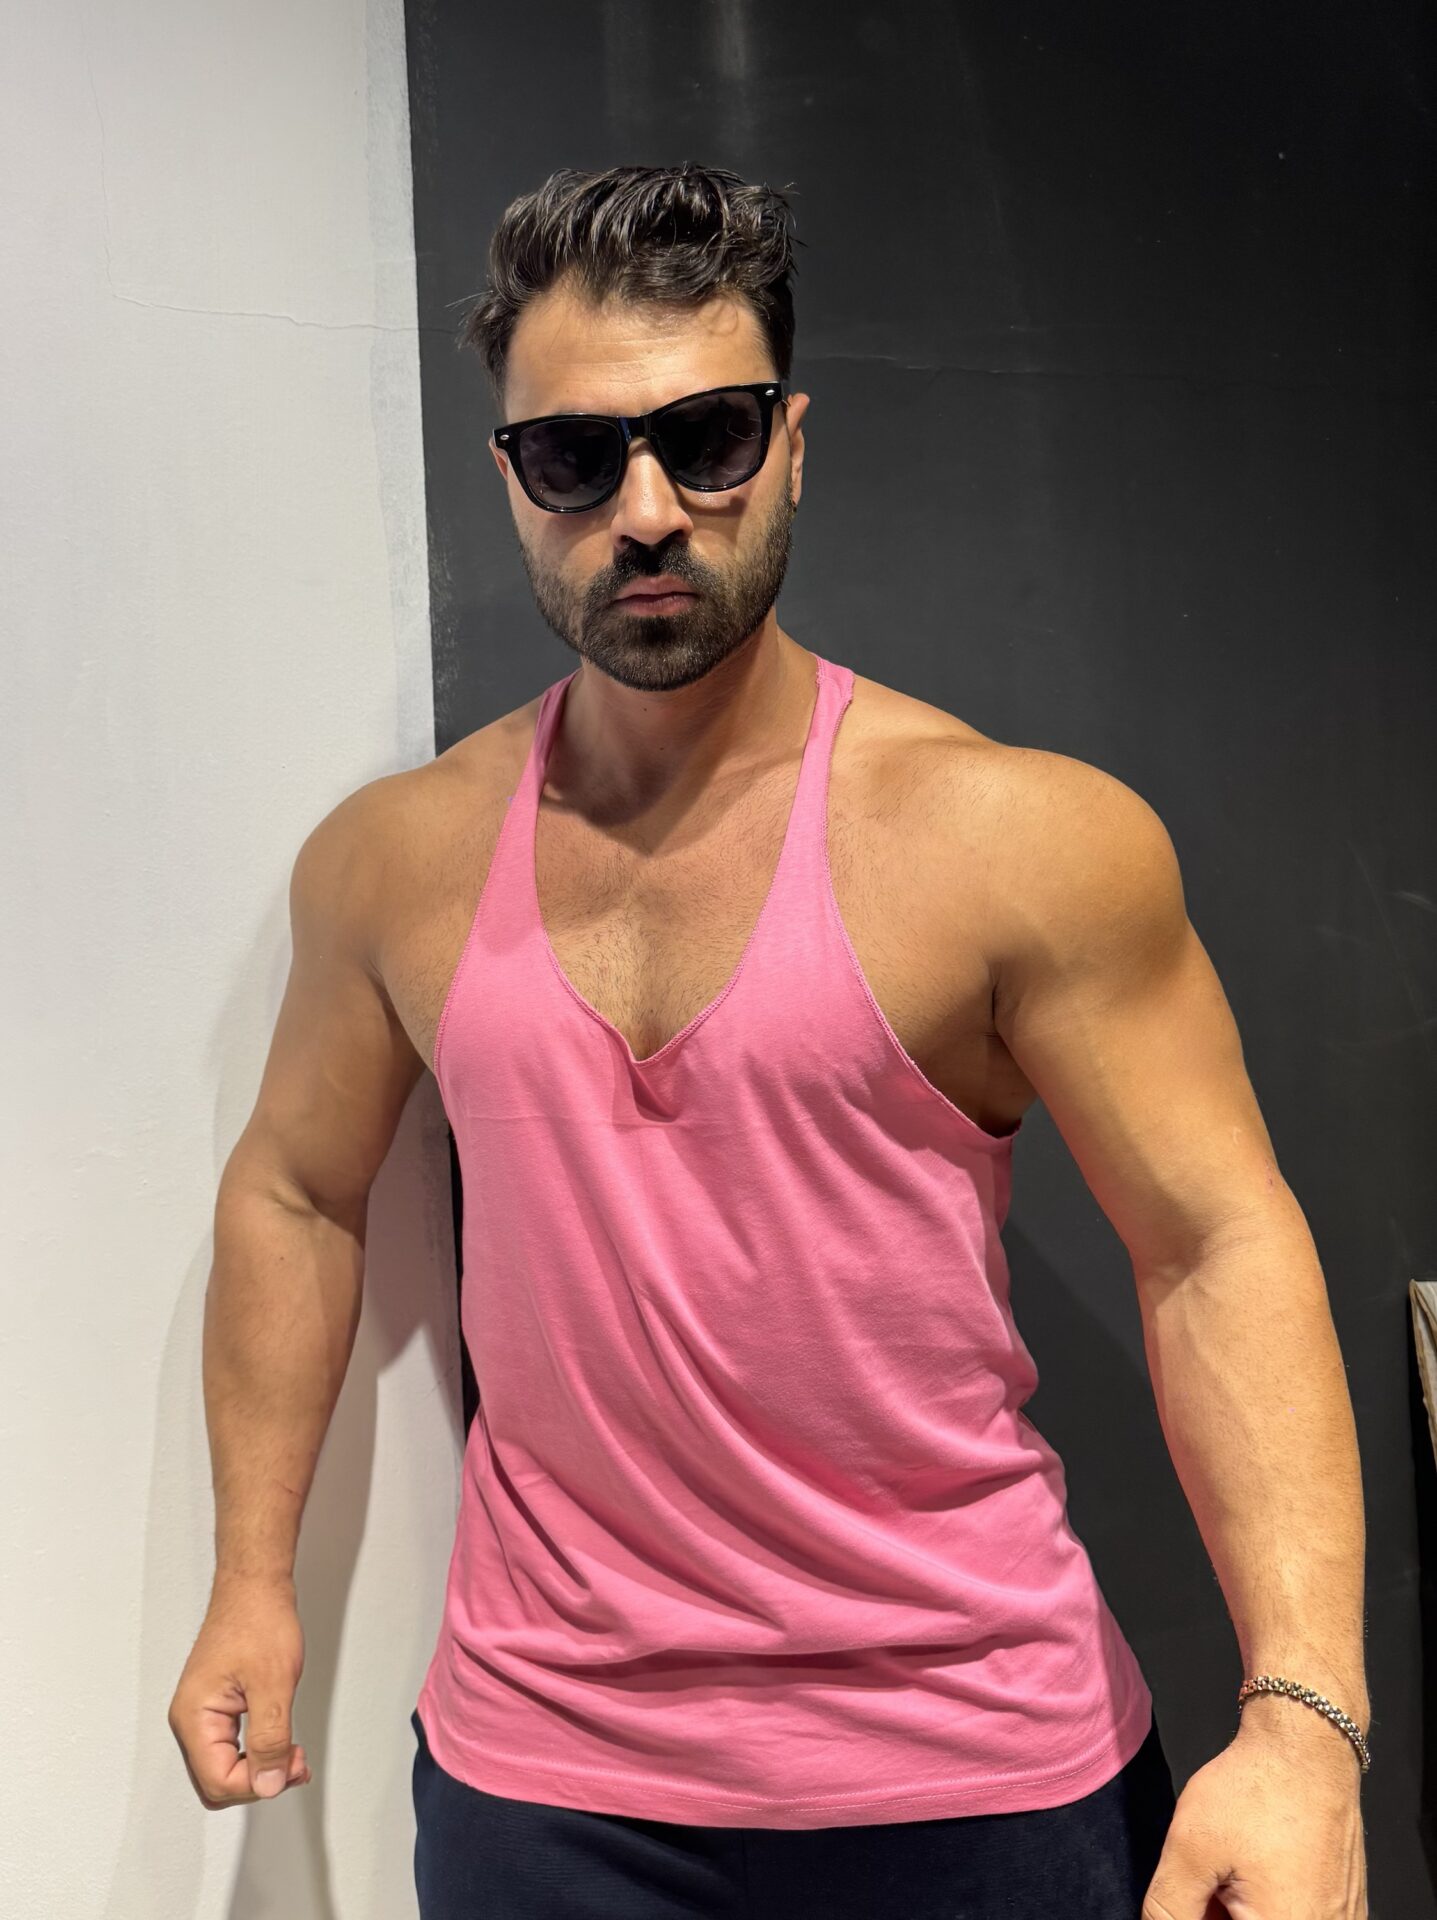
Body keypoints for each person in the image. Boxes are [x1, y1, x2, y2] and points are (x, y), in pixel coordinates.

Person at [168, 163, 1370, 1918]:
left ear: (791, 445)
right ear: (510, 480)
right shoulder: (394, 862)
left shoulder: (1015, 837)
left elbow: (1212, 1244)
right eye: (576, 457)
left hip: (976, 1767)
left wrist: (1303, 1724)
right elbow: (293, 1193)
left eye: (709, 437)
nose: (647, 509)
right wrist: (250, 1580)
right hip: (544, 1784)